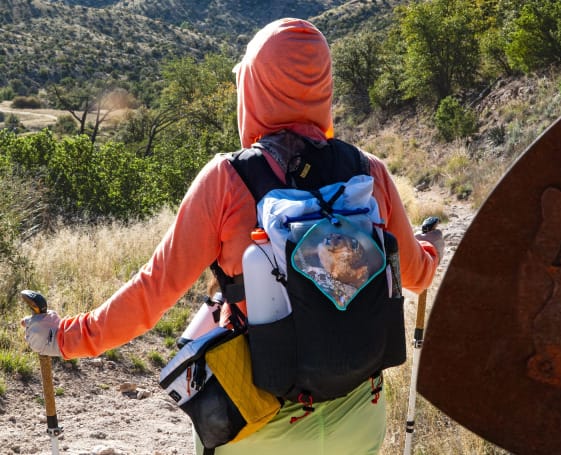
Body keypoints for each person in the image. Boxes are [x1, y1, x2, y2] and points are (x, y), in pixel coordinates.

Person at [22, 18, 443, 455]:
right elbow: (416, 274)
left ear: (254, 87)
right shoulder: (367, 172)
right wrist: (431, 245)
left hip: (262, 424)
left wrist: (66, 336)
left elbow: (151, 294)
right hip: (359, 417)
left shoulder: (227, 179)